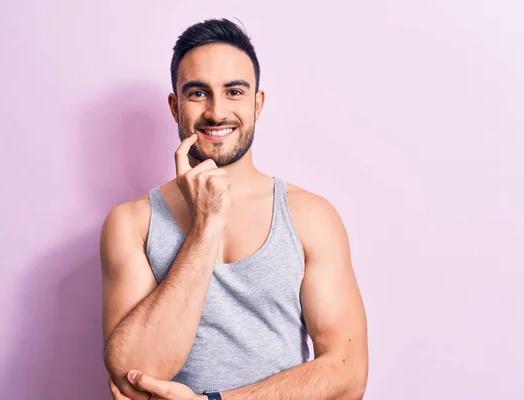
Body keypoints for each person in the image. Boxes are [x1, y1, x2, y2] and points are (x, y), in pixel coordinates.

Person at [100, 18, 368, 400]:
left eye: (234, 92)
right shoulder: (132, 223)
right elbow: (133, 376)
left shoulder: (311, 217)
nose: (216, 111)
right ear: (175, 107)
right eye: (197, 93)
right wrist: (206, 226)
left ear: (257, 104)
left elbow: (348, 372)